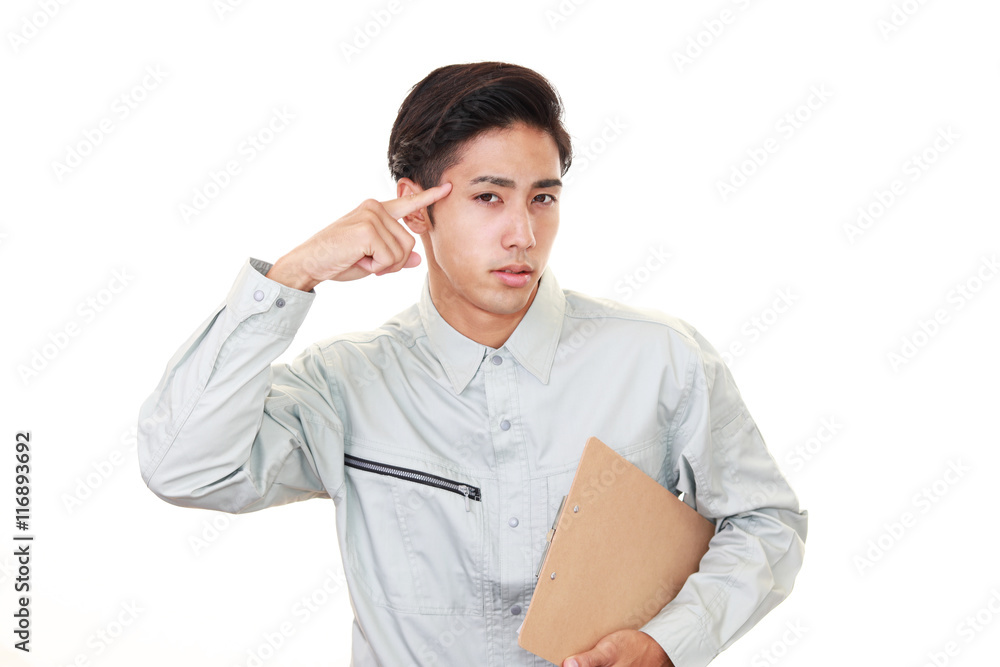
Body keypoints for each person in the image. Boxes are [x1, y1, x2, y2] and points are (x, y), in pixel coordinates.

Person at [138, 61, 807, 667]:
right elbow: (182, 465)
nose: (523, 234)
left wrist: (668, 643)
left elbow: (767, 523)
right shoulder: (345, 384)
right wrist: (294, 274)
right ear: (416, 207)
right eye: (489, 197)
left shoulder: (659, 358)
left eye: (542, 198)